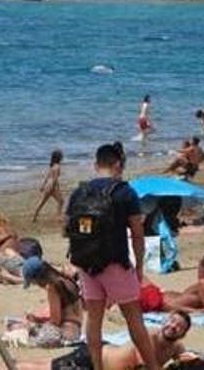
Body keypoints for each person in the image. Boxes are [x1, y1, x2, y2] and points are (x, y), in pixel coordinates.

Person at [65, 143, 160, 370]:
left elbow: (68, 227)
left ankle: (97, 367)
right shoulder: (125, 192)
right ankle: (153, 367)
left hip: (86, 263)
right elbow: (137, 233)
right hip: (115, 263)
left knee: (94, 321)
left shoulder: (80, 191)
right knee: (134, 321)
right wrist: (138, 267)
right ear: (118, 164)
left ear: (96, 164)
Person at [17, 311, 192, 370]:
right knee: (45, 368)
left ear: (182, 334)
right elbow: (142, 364)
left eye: (179, 326)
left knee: (48, 364)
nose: (173, 326)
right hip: (95, 359)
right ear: (165, 321)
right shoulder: (149, 336)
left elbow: (190, 359)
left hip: (103, 356)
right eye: (172, 321)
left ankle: (15, 363)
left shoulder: (176, 347)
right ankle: (11, 366)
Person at [21, 257, 84, 346]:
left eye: (34, 282)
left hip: (65, 333)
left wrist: (36, 320)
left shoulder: (53, 287)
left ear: (39, 278)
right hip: (77, 331)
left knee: (26, 329)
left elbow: (55, 321)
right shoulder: (68, 279)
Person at [32, 150, 65, 223]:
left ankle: (35, 216)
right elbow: (55, 179)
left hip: (48, 185)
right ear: (59, 158)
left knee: (42, 202)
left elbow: (47, 177)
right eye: (61, 156)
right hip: (52, 185)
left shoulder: (52, 166)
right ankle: (58, 217)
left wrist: (43, 186)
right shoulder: (57, 166)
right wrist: (57, 189)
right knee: (61, 201)